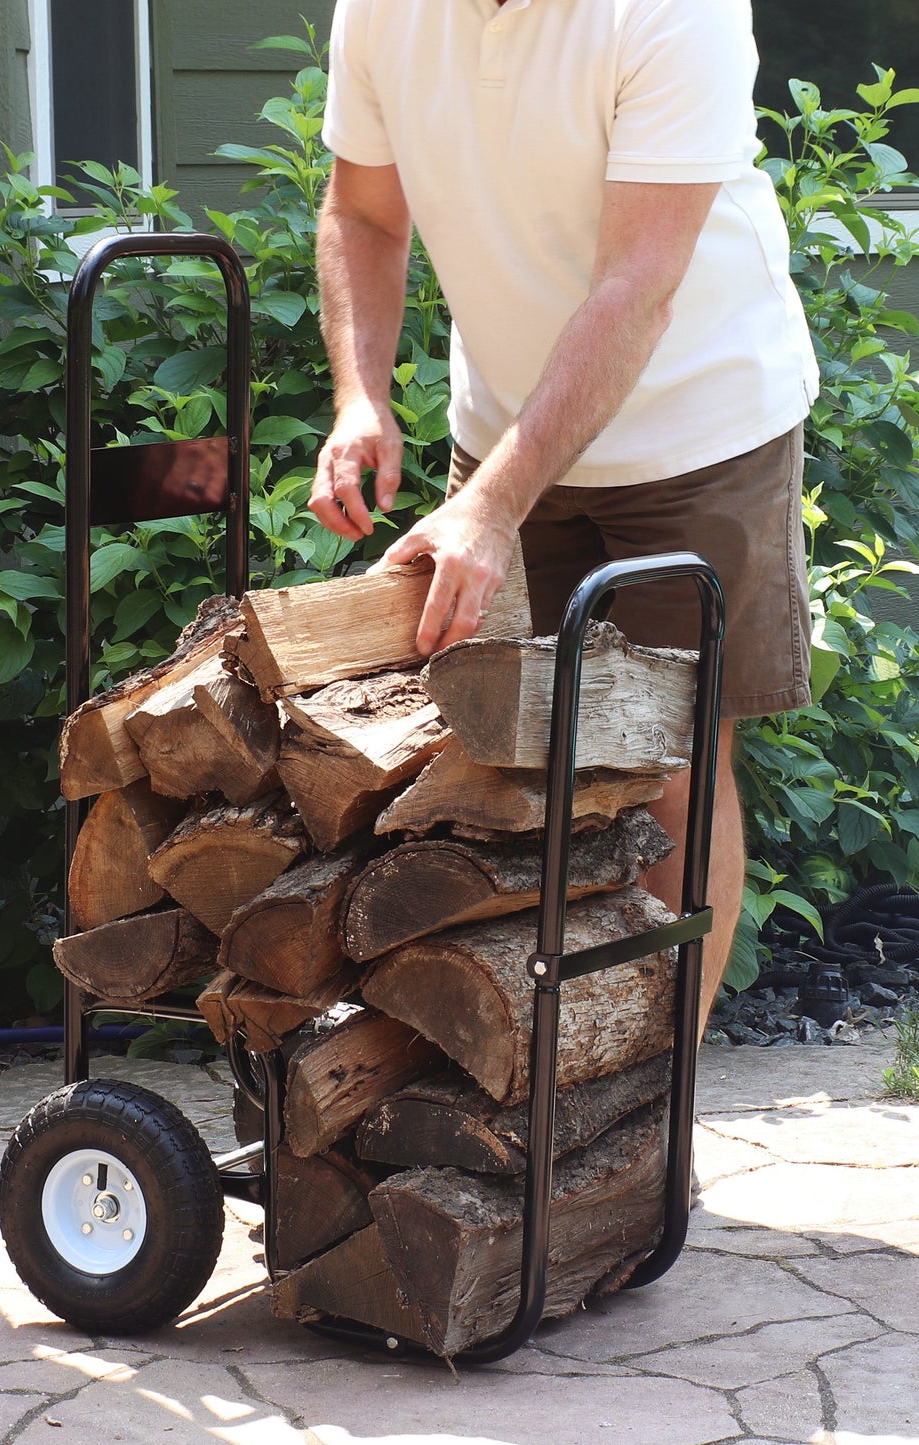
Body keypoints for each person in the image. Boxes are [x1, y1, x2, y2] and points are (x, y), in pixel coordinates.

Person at [307, 0, 819, 1025]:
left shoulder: (675, 11)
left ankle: (650, 1113)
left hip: (696, 429)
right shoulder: (380, 9)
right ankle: (518, 1090)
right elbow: (360, 213)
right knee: (483, 755)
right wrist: (359, 397)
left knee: (667, 758)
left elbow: (636, 285)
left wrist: (490, 507)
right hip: (505, 420)